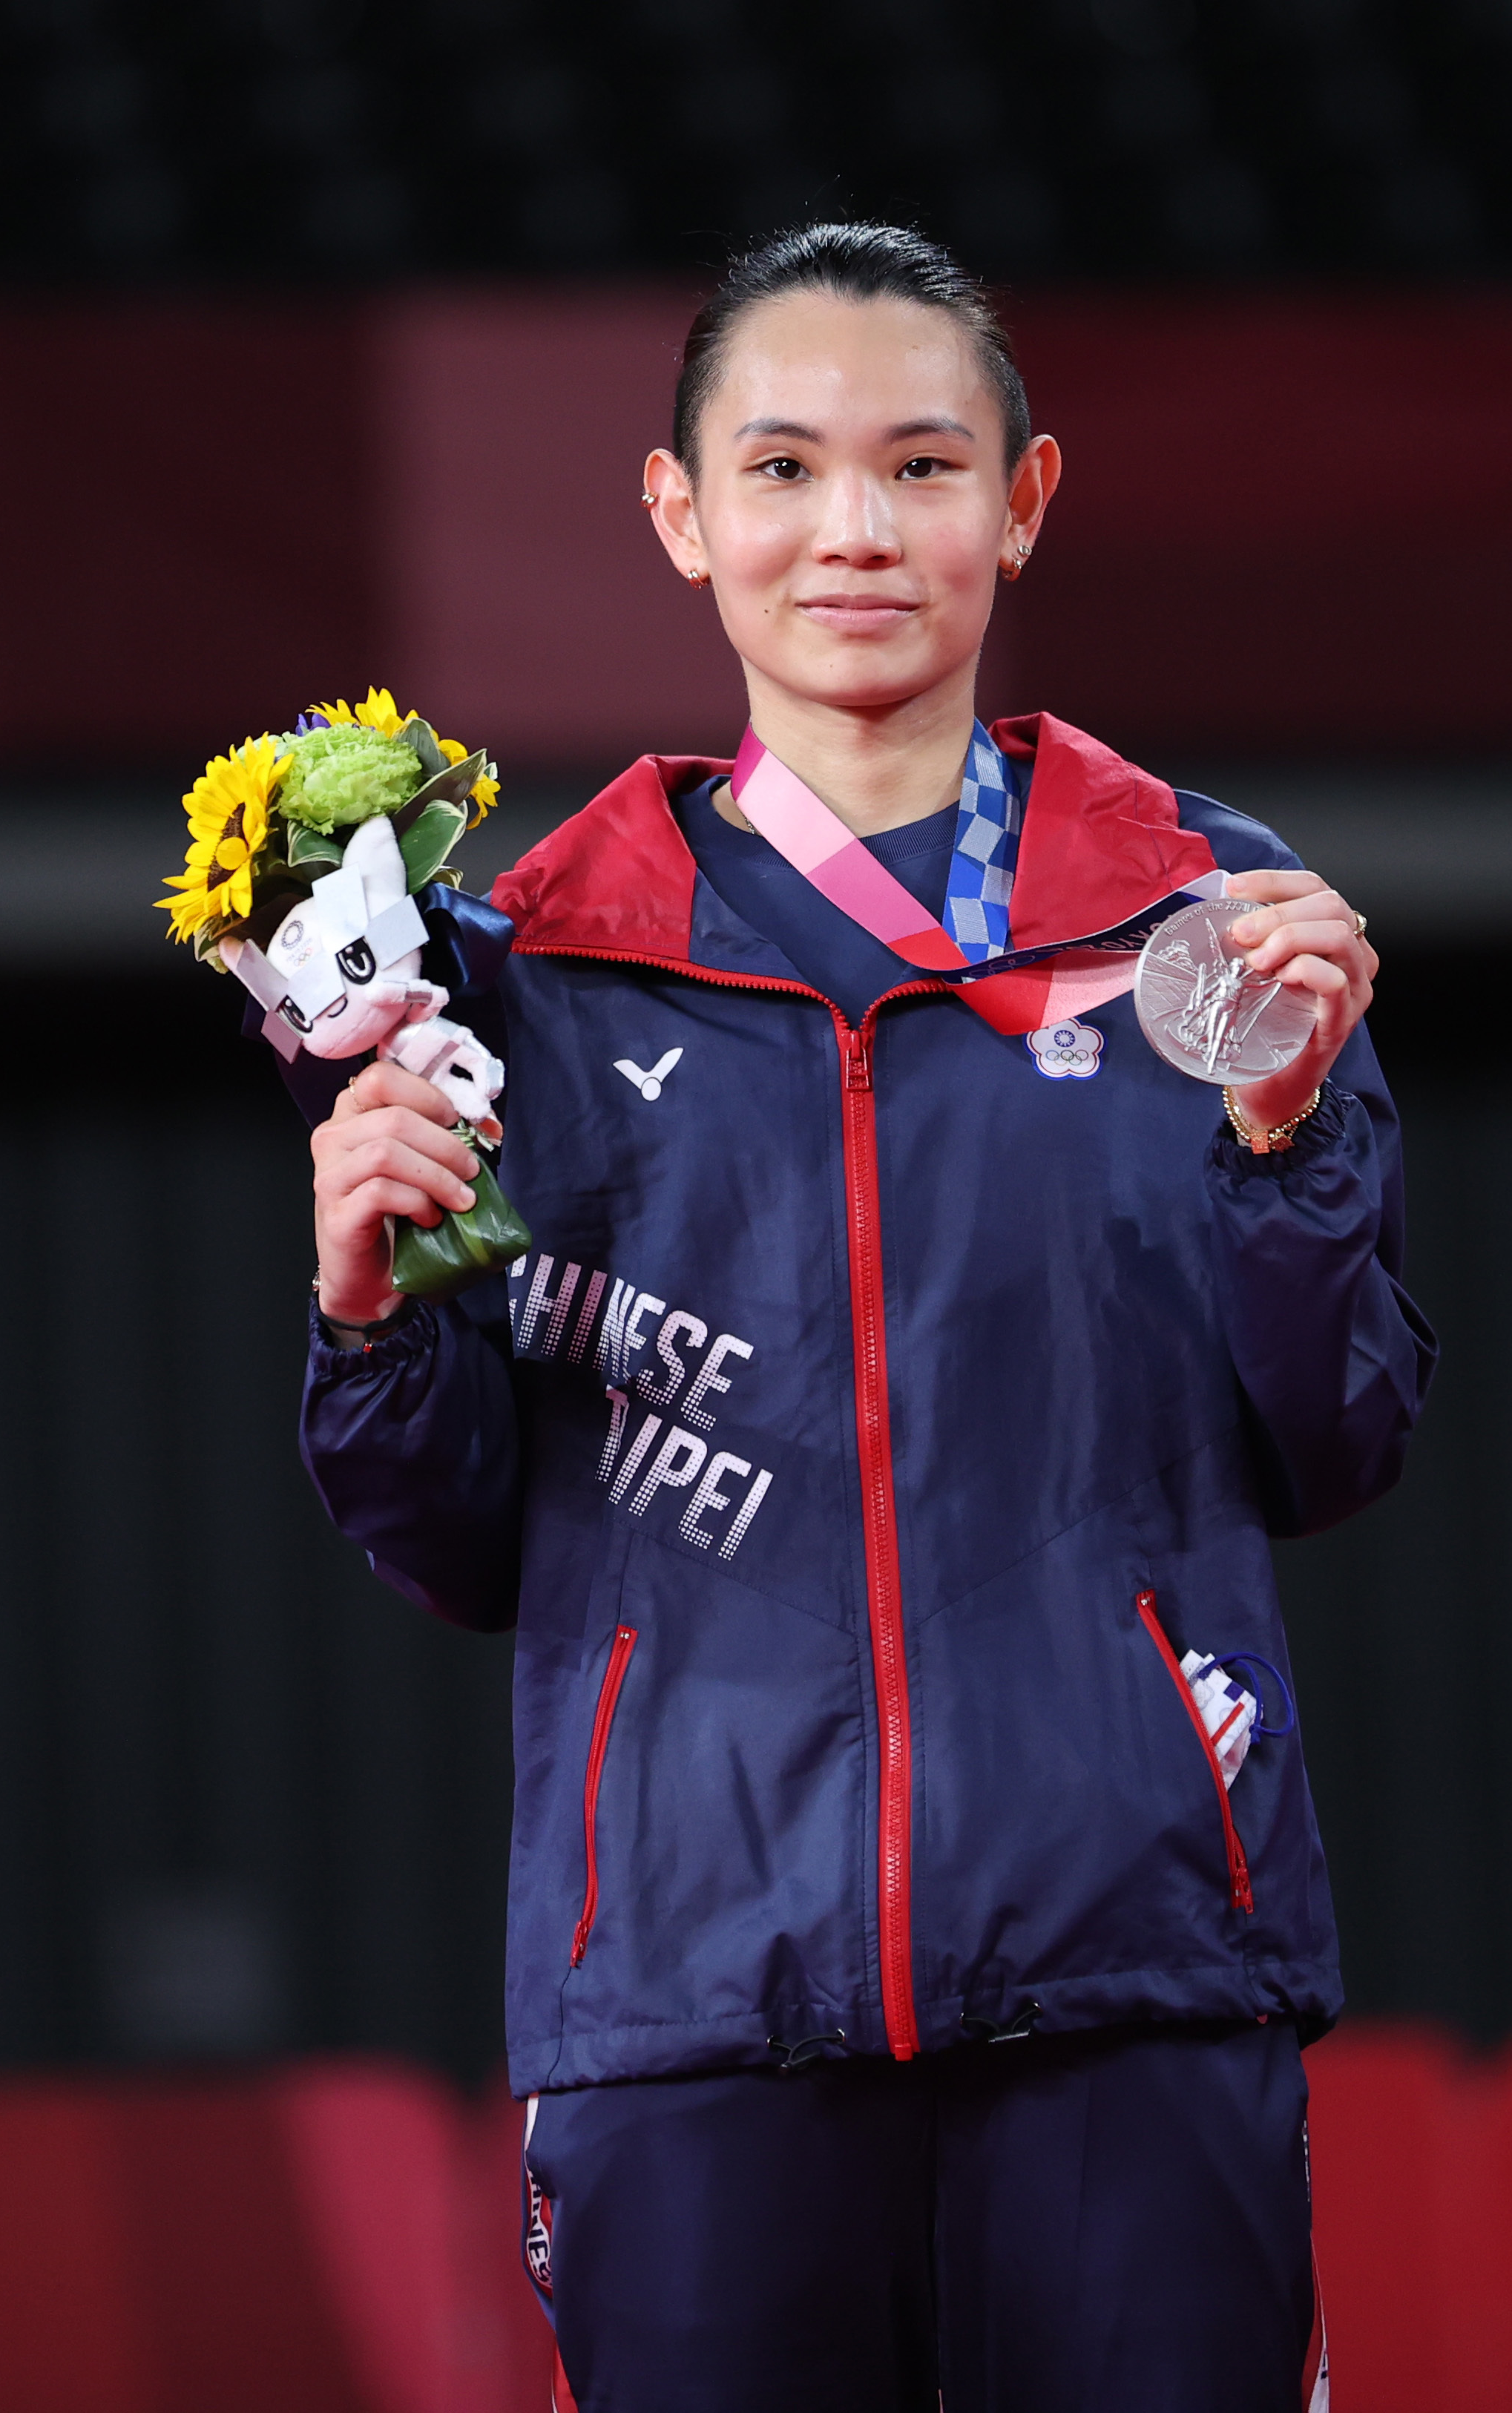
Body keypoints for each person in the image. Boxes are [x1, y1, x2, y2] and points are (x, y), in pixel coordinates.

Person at [295, 225, 1434, 2413]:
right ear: (680, 514)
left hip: (1137, 1975)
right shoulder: (526, 968)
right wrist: (368, 1314)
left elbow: (1343, 1439)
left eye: (922, 467)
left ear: (1023, 501)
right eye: (788, 466)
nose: (853, 530)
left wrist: (1295, 1148)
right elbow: (448, 1543)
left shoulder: (1213, 927)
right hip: (698, 2001)